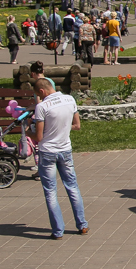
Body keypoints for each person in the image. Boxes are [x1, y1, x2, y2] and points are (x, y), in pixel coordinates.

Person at [31, 78, 88, 240]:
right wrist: (61, 128)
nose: (39, 98)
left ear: (42, 91)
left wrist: (29, 131)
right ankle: (82, 224)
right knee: (72, 187)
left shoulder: (42, 107)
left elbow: (39, 136)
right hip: (65, 150)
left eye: (38, 95)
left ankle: (58, 230)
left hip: (48, 152)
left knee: (50, 191)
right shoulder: (70, 99)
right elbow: (77, 125)